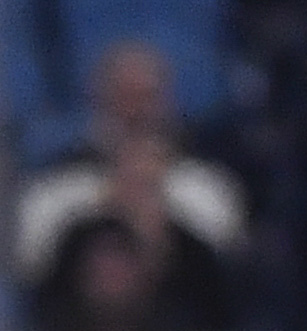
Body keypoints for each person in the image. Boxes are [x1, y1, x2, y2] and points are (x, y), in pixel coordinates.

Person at [13, 40, 246, 283]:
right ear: (96, 99)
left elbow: (225, 260)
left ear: (168, 102)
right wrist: (108, 202)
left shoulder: (206, 187)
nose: (135, 113)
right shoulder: (55, 189)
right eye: (123, 96)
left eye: (147, 97)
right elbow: (32, 264)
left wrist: (155, 208)